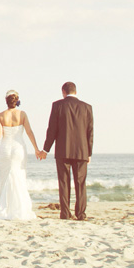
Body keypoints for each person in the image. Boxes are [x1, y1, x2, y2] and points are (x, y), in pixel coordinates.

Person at [0, 90, 44, 220]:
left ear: (6, 101)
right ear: (16, 101)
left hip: (5, 149)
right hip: (18, 148)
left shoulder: (0, 116)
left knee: (6, 177)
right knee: (18, 176)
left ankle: (5, 207)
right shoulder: (22, 114)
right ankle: (19, 207)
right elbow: (29, 132)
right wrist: (36, 149)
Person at [43, 82, 94, 220]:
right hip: (81, 151)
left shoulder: (57, 105)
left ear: (63, 92)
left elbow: (52, 129)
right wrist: (89, 153)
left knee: (64, 182)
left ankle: (65, 213)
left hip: (62, 150)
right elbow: (90, 132)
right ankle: (81, 214)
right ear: (75, 91)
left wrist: (45, 149)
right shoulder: (87, 107)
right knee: (80, 183)